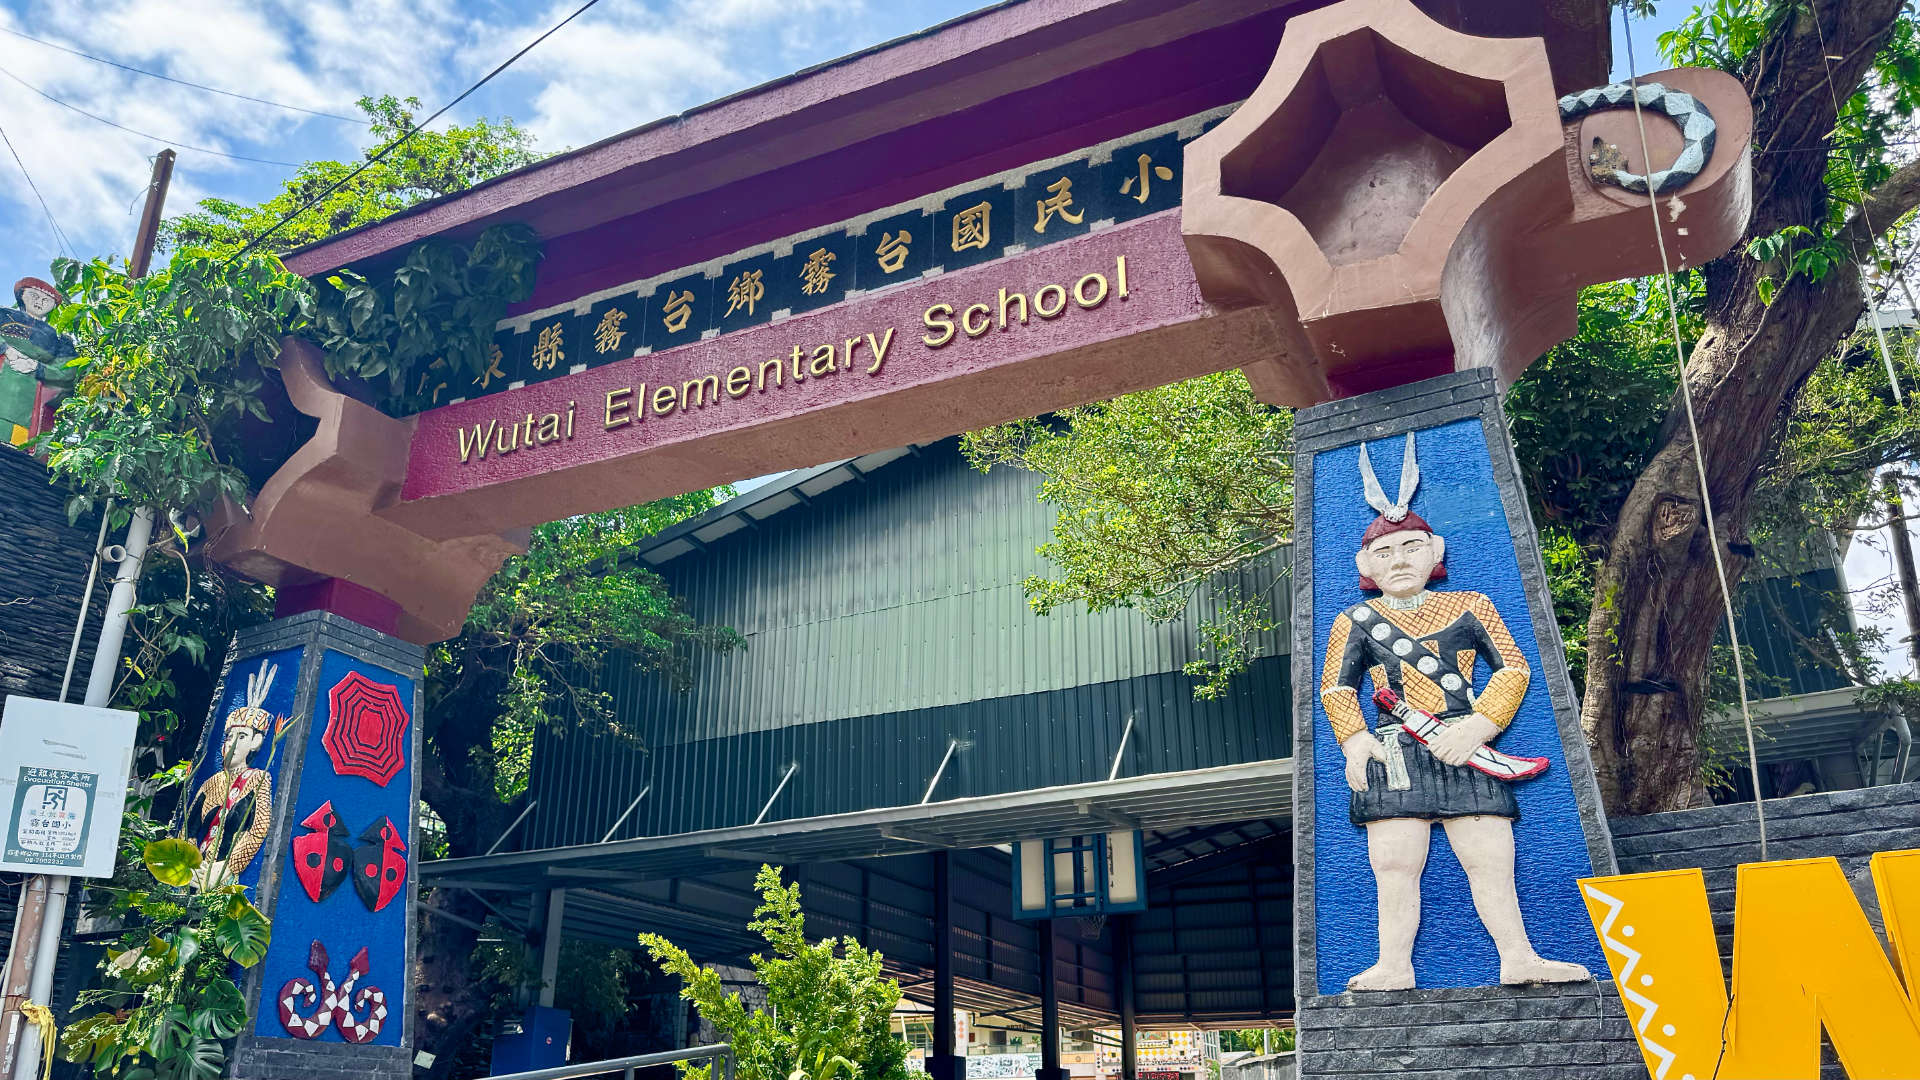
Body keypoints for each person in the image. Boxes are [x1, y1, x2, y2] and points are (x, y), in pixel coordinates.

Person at [1319, 434, 1588, 991]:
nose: (1399, 560)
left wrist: (1478, 727)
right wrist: (1354, 742)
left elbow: (1513, 669)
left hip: (1464, 743)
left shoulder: (1470, 605)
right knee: (1393, 863)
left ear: (1435, 551)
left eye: (1412, 546)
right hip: (1394, 748)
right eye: (1386, 551)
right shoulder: (1354, 620)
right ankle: (1393, 964)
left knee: (1490, 855)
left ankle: (1519, 955)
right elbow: (1337, 689)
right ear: (1364, 562)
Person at [185, 663, 279, 887]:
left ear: (256, 742)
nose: (232, 743)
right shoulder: (212, 783)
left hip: (224, 874)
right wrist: (191, 864)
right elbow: (189, 827)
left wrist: (228, 866)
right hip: (197, 871)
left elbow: (258, 829)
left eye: (242, 737)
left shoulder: (258, 779)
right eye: (228, 737)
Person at [0, 277, 77, 446]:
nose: (39, 303)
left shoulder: (59, 340)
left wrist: (37, 367)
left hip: (28, 403)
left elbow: (69, 371)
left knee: (18, 445)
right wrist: (6, 349)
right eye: (34, 296)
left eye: (46, 300)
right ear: (22, 295)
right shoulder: (4, 315)